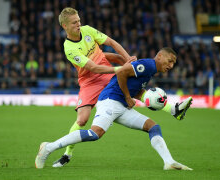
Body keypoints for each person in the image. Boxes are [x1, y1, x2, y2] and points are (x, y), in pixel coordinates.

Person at [35, 47, 193, 170]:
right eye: (170, 61)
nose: (171, 66)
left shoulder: (150, 71)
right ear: (159, 56)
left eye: (174, 63)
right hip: (110, 101)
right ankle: (48, 147)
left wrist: (143, 99)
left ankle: (169, 162)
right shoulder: (148, 65)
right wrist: (126, 97)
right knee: (95, 134)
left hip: (122, 106)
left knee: (153, 127)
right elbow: (121, 73)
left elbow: (134, 88)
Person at [52, 7, 136, 167]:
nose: (79, 24)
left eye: (79, 20)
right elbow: (93, 68)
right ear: (65, 26)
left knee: (134, 86)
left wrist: (128, 59)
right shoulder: (69, 48)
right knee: (82, 120)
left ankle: (170, 107)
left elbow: (111, 42)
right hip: (89, 80)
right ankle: (67, 154)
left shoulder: (88, 30)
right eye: (74, 22)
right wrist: (120, 69)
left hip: (106, 72)